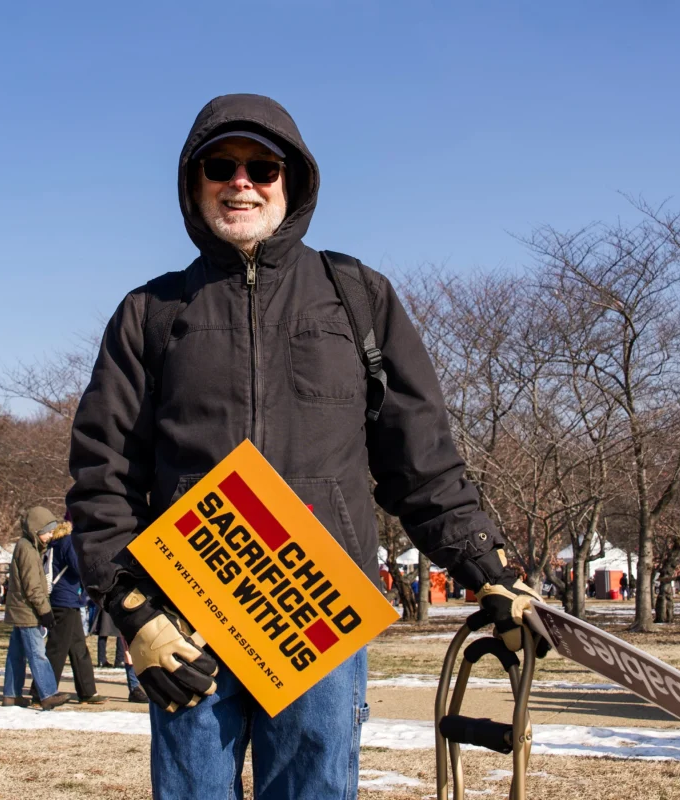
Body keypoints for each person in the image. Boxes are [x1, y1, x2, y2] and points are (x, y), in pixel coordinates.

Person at [67, 94, 545, 797]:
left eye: (263, 167)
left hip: (316, 612)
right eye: (220, 166)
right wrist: (131, 608)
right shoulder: (151, 311)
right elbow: (102, 472)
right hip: (188, 618)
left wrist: (487, 565)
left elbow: (420, 456)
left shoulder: (356, 296)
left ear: (292, 184)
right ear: (192, 183)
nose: (242, 182)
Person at [28, 518, 104, 705]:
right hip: (65, 601)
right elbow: (78, 568)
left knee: (77, 647)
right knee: (57, 648)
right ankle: (41, 692)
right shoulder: (68, 542)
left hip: (63, 600)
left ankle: (87, 691)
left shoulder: (54, 544)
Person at [2, 506, 69, 710]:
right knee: (37, 652)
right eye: (48, 531)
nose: (51, 536)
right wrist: (45, 611)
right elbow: (33, 586)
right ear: (36, 529)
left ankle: (11, 695)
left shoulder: (26, 546)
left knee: (16, 654)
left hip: (20, 609)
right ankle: (48, 693)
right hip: (27, 611)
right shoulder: (28, 550)